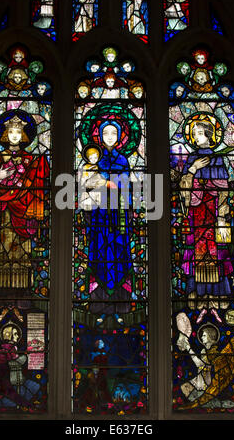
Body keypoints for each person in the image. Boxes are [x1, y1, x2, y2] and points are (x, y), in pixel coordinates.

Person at [0, 113, 50, 290]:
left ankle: (24, 292)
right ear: (6, 134)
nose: (14, 135)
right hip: (5, 212)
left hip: (23, 210)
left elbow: (38, 181)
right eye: (11, 131)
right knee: (3, 248)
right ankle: (0, 292)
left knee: (22, 250)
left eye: (18, 131)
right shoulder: (0, 157)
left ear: (23, 135)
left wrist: (40, 164)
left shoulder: (31, 160)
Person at [179, 119, 233, 316]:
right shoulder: (192, 159)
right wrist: (193, 169)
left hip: (213, 214)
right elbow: (184, 189)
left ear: (209, 135)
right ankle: (198, 294)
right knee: (197, 254)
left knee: (217, 254)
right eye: (194, 133)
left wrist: (221, 211)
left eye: (200, 132)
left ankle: (218, 294)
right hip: (197, 215)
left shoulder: (218, 159)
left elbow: (224, 186)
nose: (196, 136)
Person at [87, 121, 135, 324]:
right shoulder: (93, 160)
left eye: (113, 133)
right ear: (99, 136)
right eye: (105, 133)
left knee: (118, 256)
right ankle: (98, 304)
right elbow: (86, 185)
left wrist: (109, 183)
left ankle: (121, 305)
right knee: (99, 254)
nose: (109, 136)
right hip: (99, 216)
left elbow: (125, 187)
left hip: (118, 216)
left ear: (119, 137)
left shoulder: (123, 160)